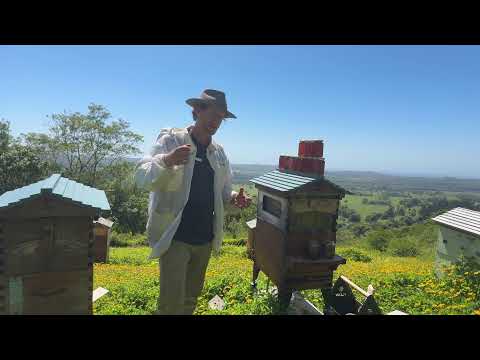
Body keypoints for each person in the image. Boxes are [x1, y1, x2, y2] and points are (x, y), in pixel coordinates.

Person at [134, 89, 252, 315]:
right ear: (196, 110)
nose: (215, 121)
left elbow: (223, 192)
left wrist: (235, 199)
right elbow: (142, 177)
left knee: (191, 298)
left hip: (205, 239)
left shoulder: (218, 153)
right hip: (175, 236)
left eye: (220, 117)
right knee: (171, 303)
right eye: (212, 114)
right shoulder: (172, 140)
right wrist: (167, 160)